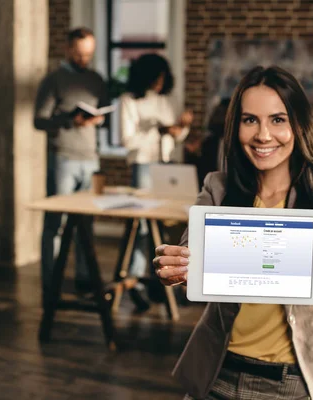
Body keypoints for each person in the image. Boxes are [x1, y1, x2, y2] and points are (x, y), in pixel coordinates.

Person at [153, 66, 313, 399]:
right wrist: (175, 270)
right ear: (235, 126)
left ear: (299, 125)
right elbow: (189, 269)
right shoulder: (217, 186)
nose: (263, 136)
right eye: (250, 120)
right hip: (218, 373)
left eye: (278, 120)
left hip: (298, 381)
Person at [34, 27, 110, 303]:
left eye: (88, 54)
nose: (83, 59)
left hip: (91, 159)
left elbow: (105, 112)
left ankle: (83, 279)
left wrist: (99, 119)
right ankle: (50, 283)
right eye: (78, 53)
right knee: (56, 223)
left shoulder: (95, 79)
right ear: (67, 49)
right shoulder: (53, 80)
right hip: (64, 158)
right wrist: (69, 120)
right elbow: (39, 120)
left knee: (85, 226)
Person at [119, 53, 193, 311]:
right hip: (142, 165)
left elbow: (177, 137)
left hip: (166, 164)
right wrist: (156, 130)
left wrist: (181, 128)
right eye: (156, 78)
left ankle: (159, 282)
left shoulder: (167, 100)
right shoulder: (129, 101)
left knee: (167, 225)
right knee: (141, 227)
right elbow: (127, 140)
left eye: (163, 78)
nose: (160, 83)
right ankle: (136, 282)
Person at [185, 98, 230, 189]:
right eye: (218, 114)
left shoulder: (241, 144)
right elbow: (201, 171)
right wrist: (191, 154)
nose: (221, 118)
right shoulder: (210, 142)